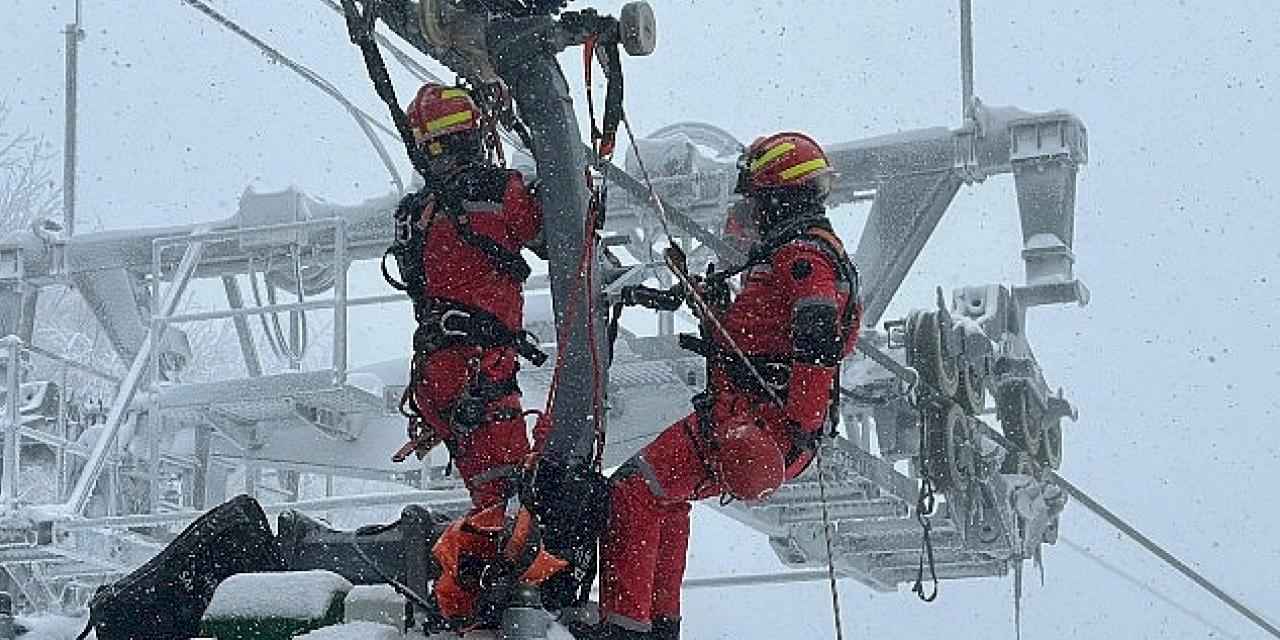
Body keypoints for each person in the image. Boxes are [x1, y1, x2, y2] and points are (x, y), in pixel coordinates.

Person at [593, 132, 862, 640]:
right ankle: (655, 627)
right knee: (664, 498)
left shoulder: (802, 257)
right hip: (749, 421)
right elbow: (768, 342)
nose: (751, 212)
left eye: (756, 199)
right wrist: (715, 311)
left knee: (633, 490)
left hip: (754, 422)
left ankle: (627, 628)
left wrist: (791, 431)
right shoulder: (799, 255)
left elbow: (816, 344)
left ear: (778, 195)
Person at [390, 83, 548, 510]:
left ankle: (481, 559)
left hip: (434, 373)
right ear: (472, 135)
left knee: (489, 493)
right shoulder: (499, 193)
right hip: (480, 372)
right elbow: (554, 238)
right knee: (509, 507)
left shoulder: (412, 214)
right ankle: (489, 568)